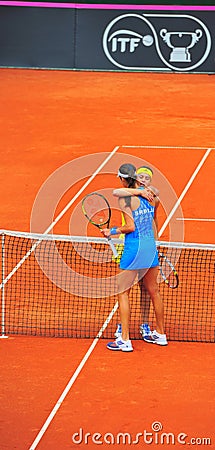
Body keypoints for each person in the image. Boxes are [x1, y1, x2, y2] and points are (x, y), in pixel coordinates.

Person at [103, 163, 167, 352]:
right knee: (154, 291)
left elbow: (130, 227)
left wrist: (112, 231)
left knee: (123, 292)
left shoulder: (125, 200)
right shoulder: (151, 197)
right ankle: (161, 334)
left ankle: (124, 339)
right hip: (150, 248)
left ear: (123, 179)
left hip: (133, 248)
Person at [114, 165, 160, 340]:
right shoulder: (132, 195)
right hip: (131, 245)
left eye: (147, 178)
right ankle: (122, 325)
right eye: (140, 177)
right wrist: (139, 192)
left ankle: (143, 324)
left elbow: (153, 221)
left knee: (139, 288)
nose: (143, 180)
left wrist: (155, 244)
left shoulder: (149, 196)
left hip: (137, 246)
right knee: (130, 288)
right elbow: (118, 191)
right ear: (135, 178)